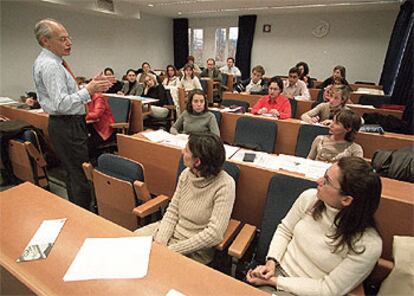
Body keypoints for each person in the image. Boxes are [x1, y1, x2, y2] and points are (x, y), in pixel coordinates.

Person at [246, 156, 382, 296]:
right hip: (277, 273)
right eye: (324, 175)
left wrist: (274, 282)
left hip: (309, 291)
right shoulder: (310, 198)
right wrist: (271, 262)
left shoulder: (368, 243)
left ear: (346, 199)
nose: (319, 181)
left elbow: (328, 289)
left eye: (327, 181)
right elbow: (285, 230)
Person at [32, 18, 113, 209]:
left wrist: (89, 85)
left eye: (68, 38)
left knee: (73, 171)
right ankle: (85, 213)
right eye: (62, 39)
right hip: (67, 123)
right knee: (80, 173)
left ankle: (77, 208)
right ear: (46, 41)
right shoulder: (51, 66)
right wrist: (89, 91)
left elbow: (66, 95)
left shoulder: (51, 62)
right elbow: (61, 104)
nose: (69, 43)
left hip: (64, 124)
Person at [135, 132, 235, 265]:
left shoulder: (225, 184)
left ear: (197, 162)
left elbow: (214, 234)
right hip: (171, 233)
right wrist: (161, 241)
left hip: (194, 249)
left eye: (186, 150)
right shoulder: (186, 174)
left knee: (157, 269)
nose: (182, 152)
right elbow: (173, 210)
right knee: (132, 242)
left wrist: (171, 250)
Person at [86, 93, 115, 162]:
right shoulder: (87, 98)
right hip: (94, 127)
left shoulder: (98, 98)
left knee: (85, 144)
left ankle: (92, 166)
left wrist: (82, 116)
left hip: (104, 130)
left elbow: (96, 114)